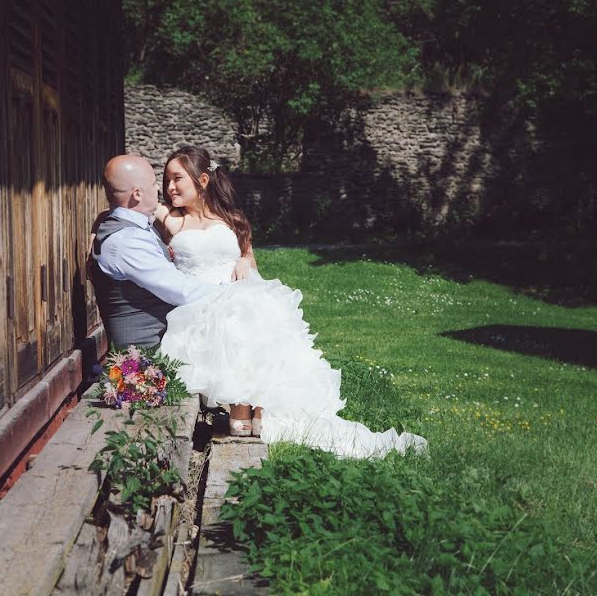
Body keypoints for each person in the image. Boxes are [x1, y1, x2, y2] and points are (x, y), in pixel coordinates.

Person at [156, 146, 427, 458]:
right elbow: (131, 210)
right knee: (231, 321)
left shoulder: (233, 219)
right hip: (201, 304)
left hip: (238, 293)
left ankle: (259, 407)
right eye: (166, 180)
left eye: (177, 178)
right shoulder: (171, 219)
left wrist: (245, 260)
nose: (169, 187)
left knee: (254, 315)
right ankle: (241, 414)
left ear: (202, 180)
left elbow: (248, 258)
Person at [90, 155, 219, 350]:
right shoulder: (127, 240)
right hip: (149, 356)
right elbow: (182, 291)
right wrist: (231, 292)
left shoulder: (132, 226)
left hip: (168, 339)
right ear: (137, 194)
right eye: (153, 183)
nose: (159, 188)